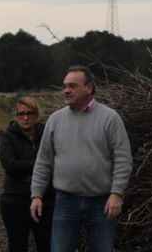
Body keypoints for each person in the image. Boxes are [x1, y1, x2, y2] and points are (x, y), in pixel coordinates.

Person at [30, 65, 132, 252]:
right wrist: (36, 194)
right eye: (65, 86)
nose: (66, 91)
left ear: (89, 88)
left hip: (101, 203)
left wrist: (116, 194)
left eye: (72, 86)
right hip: (65, 202)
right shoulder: (55, 120)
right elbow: (43, 161)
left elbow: (123, 159)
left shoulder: (109, 118)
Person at [0, 97, 54, 252]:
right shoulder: (8, 137)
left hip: (46, 202)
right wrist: (41, 167)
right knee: (17, 247)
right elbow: (10, 166)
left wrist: (29, 170)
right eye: (21, 114)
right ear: (16, 116)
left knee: (47, 246)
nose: (25, 117)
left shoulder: (47, 134)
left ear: (36, 115)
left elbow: (56, 162)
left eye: (30, 113)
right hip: (15, 202)